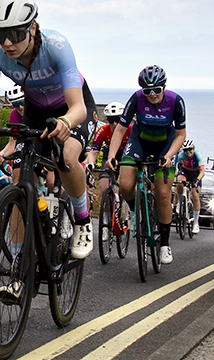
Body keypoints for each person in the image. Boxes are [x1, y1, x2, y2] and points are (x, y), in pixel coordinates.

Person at [0, 0, 98, 260]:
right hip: (36, 109)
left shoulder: (57, 45)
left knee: (67, 156)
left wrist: (65, 121)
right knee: (18, 180)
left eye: (16, 34)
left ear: (33, 27)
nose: (7, 43)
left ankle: (82, 219)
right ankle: (19, 261)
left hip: (70, 107)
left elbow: (79, 107)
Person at [107, 65, 186, 265]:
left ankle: (165, 244)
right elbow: (120, 130)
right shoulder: (136, 99)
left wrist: (169, 155)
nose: (152, 95)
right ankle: (135, 212)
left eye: (157, 90)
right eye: (147, 91)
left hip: (165, 145)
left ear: (164, 87)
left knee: (163, 194)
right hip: (139, 141)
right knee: (125, 185)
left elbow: (181, 135)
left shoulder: (175, 101)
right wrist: (111, 155)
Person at [84, 102, 131, 241]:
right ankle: (105, 223)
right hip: (108, 155)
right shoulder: (103, 130)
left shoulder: (131, 129)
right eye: (111, 120)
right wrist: (90, 163)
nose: (115, 124)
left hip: (126, 155)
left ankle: (128, 213)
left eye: (118, 119)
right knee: (104, 189)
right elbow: (94, 151)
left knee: (125, 184)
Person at [174, 138, 204, 235]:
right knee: (180, 182)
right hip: (185, 172)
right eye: (186, 150)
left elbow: (202, 172)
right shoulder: (181, 155)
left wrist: (198, 180)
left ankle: (195, 222)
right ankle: (179, 202)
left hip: (196, 174)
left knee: (195, 196)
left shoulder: (197, 155)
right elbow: (176, 169)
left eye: (190, 149)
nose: (188, 152)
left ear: (193, 148)